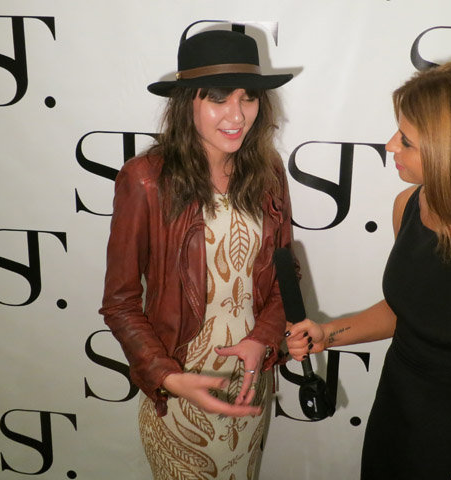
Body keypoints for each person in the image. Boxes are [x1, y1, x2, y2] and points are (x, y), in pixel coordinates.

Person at [285, 62, 451, 480]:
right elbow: (405, 312)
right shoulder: (410, 205)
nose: (390, 145)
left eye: (406, 140)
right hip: (393, 414)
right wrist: (328, 334)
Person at [99, 28, 295, 480]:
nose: (237, 115)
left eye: (248, 98)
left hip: (249, 382)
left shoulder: (267, 171)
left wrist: (262, 339)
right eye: (218, 99)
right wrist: (167, 377)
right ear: (187, 103)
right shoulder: (145, 180)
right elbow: (120, 302)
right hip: (179, 391)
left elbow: (287, 271)